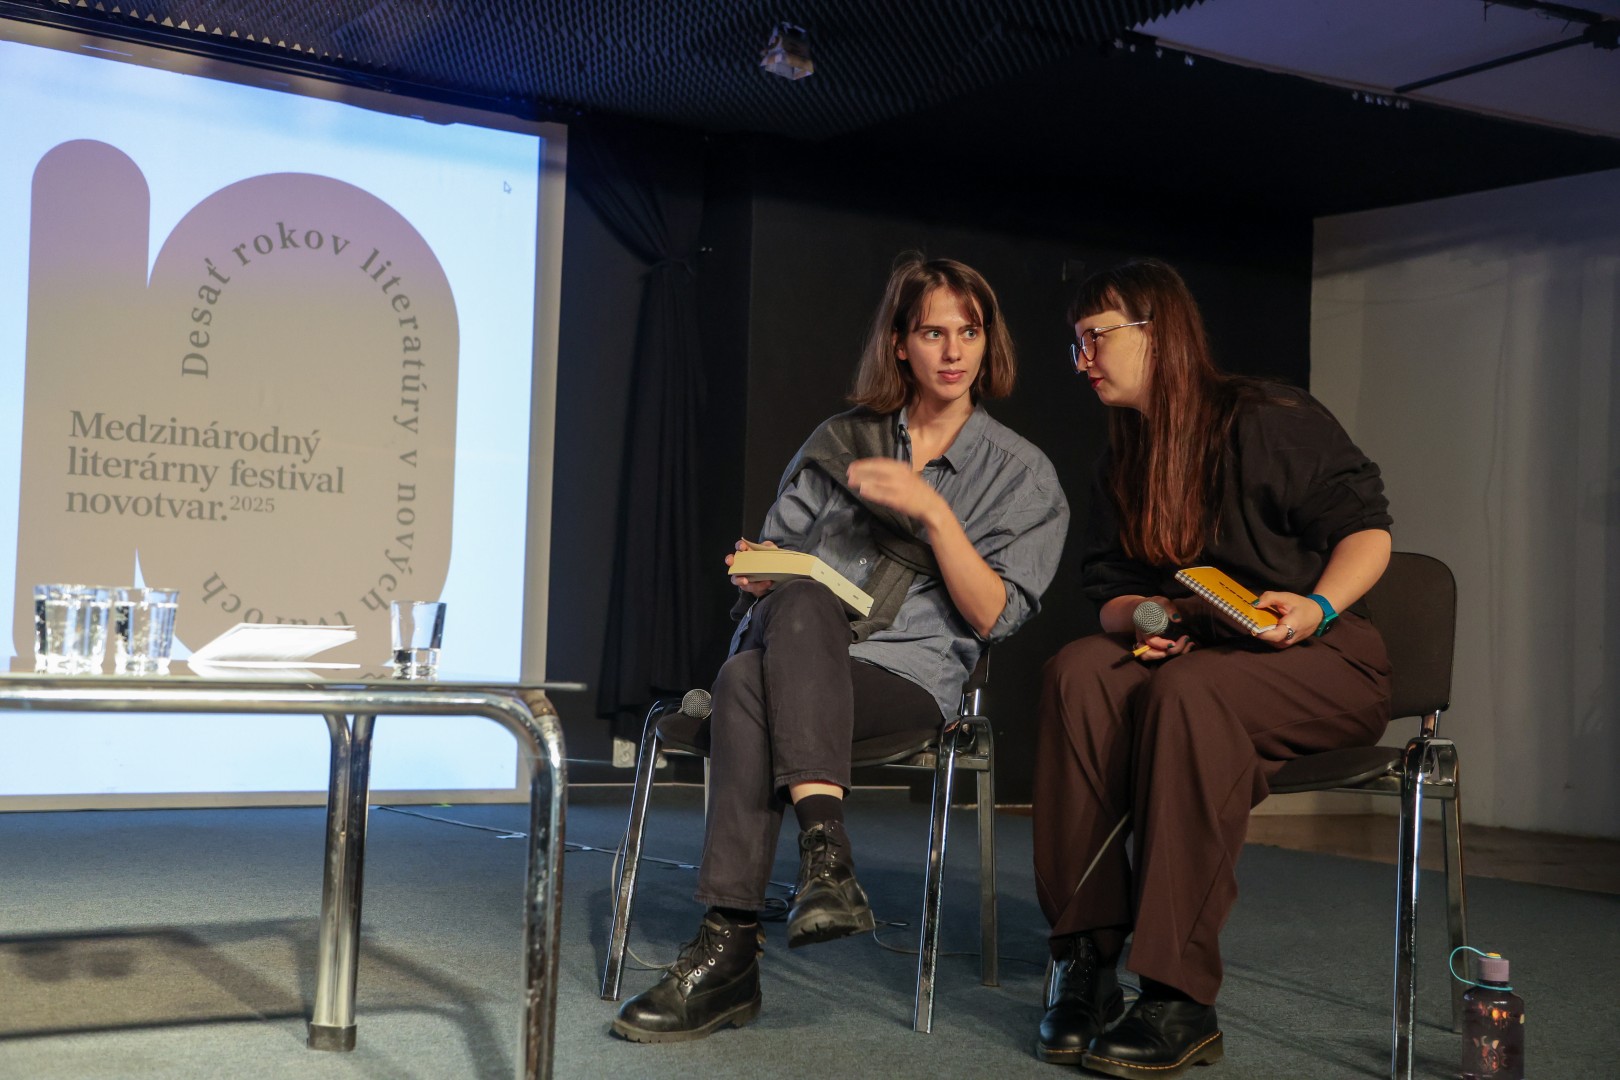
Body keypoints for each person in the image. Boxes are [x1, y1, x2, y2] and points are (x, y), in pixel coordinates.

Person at [612, 254, 1069, 1043]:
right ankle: (825, 856)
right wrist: (760, 570)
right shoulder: (842, 441)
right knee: (792, 610)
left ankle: (729, 952)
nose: (953, 351)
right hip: (797, 648)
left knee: (742, 683)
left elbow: (994, 615)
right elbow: (779, 556)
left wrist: (934, 513)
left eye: (969, 332)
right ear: (900, 343)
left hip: (905, 680)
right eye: (933, 333)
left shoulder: (1021, 474)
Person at [1032, 259, 1393, 1079]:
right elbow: (1112, 597)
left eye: (1096, 338)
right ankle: (1084, 957)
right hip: (1208, 649)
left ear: (1156, 334)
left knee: (1191, 694)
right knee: (1080, 673)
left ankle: (1178, 995)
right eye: (1075, 344)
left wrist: (1318, 606)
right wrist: (1152, 621)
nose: (1083, 360)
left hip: (1323, 655)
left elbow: (1368, 531)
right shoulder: (1124, 456)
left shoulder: (1268, 418)